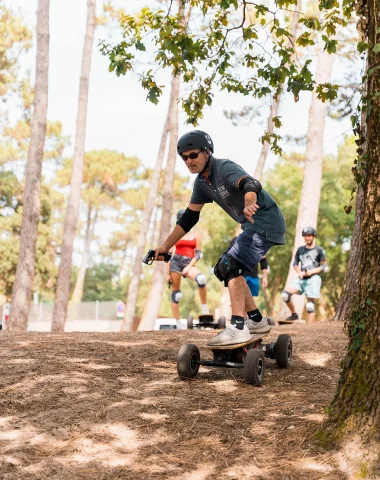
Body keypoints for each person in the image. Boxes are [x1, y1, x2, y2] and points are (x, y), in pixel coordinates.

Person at [154, 130, 286, 346]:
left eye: (193, 155)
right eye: (184, 157)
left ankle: (237, 327)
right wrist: (165, 246)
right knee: (224, 268)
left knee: (232, 265)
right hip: (252, 225)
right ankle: (256, 321)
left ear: (207, 152)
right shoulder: (201, 183)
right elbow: (189, 218)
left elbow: (250, 184)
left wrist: (248, 203)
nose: (188, 161)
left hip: (265, 221)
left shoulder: (224, 168)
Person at [166, 209, 210, 324]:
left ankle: (205, 309)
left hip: (189, 262)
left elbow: (198, 253)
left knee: (201, 279)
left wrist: (189, 267)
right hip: (176, 262)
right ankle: (178, 322)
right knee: (177, 295)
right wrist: (167, 274)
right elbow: (169, 255)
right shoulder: (175, 233)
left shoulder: (195, 234)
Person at [281, 227, 328, 322]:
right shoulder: (300, 250)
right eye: (305, 236)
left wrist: (311, 271)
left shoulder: (319, 250)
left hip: (313, 279)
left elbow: (324, 266)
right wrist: (299, 272)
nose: (307, 238)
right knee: (285, 295)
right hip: (301, 278)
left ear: (314, 236)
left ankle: (309, 328)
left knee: (310, 305)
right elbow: (295, 264)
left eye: (309, 235)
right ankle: (294, 315)